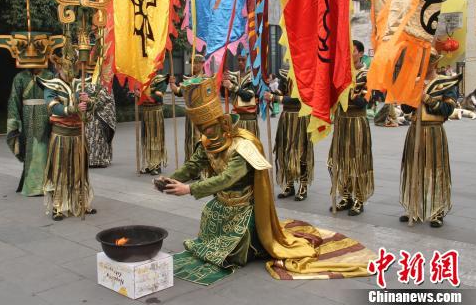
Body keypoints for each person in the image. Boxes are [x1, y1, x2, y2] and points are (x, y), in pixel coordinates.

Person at [156, 76, 375, 284]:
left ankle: (255, 242)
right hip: (221, 203)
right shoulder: (207, 142)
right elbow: (193, 165)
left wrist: (189, 189)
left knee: (233, 250)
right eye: (200, 128)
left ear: (222, 122)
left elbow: (227, 178)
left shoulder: (242, 146)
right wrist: (170, 178)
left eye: (208, 127)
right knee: (210, 215)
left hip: (244, 208)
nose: (204, 132)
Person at [399, 49, 461, 228]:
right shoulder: (415, 81)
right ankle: (414, 208)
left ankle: (437, 210)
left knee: (436, 170)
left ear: (433, 63)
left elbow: (448, 110)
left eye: (424, 62)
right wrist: (410, 96)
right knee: (414, 168)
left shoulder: (445, 83)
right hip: (415, 131)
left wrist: (427, 99)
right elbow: (405, 109)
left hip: (434, 131)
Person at [37, 51, 95, 221]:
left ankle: (81, 203)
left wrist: (89, 102)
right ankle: (58, 206)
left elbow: (89, 109)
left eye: (73, 66)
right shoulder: (51, 84)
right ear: (59, 66)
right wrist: (72, 109)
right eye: (66, 67)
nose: (70, 71)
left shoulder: (81, 83)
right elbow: (52, 106)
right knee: (60, 170)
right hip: (61, 134)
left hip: (78, 134)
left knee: (80, 170)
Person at [328, 40, 374, 216]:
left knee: (357, 162)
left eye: (353, 51)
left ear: (361, 53)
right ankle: (346, 196)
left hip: (357, 122)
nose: (349, 54)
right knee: (338, 160)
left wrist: (347, 90)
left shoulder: (367, 74)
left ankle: (359, 199)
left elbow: (364, 101)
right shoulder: (342, 73)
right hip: (341, 121)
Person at [264, 68, 314, 201]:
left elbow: (298, 99)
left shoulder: (307, 73)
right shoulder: (286, 73)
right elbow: (282, 92)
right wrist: (270, 91)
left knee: (301, 152)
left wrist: (275, 97)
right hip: (286, 118)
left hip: (301, 117)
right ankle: (290, 185)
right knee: (285, 151)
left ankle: (303, 186)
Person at [7, 68, 53, 196]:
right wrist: (14, 123)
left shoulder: (49, 75)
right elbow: (14, 101)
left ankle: (48, 184)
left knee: (46, 149)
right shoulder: (20, 77)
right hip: (27, 117)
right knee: (31, 149)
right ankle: (33, 186)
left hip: (46, 115)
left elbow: (56, 96)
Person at [169, 54, 205, 162]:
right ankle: (190, 162)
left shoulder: (204, 79)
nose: (194, 66)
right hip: (190, 114)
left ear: (202, 64)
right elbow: (179, 92)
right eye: (192, 63)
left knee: (198, 139)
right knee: (190, 139)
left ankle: (199, 165)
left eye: (197, 63)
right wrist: (172, 84)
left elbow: (184, 89)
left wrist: (180, 86)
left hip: (200, 115)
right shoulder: (191, 79)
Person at [137, 72, 168, 175]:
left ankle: (157, 165)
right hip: (145, 113)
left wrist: (142, 95)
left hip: (155, 113)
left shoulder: (160, 79)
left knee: (155, 139)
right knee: (146, 139)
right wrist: (137, 93)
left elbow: (158, 96)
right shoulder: (142, 78)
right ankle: (150, 165)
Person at [222, 54, 259, 137]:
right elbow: (224, 95)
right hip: (236, 119)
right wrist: (223, 83)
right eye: (238, 60)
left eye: (243, 60)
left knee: (250, 146)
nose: (240, 62)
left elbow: (248, 96)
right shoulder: (233, 76)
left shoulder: (254, 77)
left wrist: (231, 86)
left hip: (249, 120)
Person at [84, 75, 116, 168]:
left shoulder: (105, 81)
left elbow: (103, 99)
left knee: (99, 135)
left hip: (100, 115)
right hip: (89, 115)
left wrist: (90, 101)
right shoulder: (85, 81)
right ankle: (89, 159)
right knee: (88, 135)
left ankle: (100, 159)